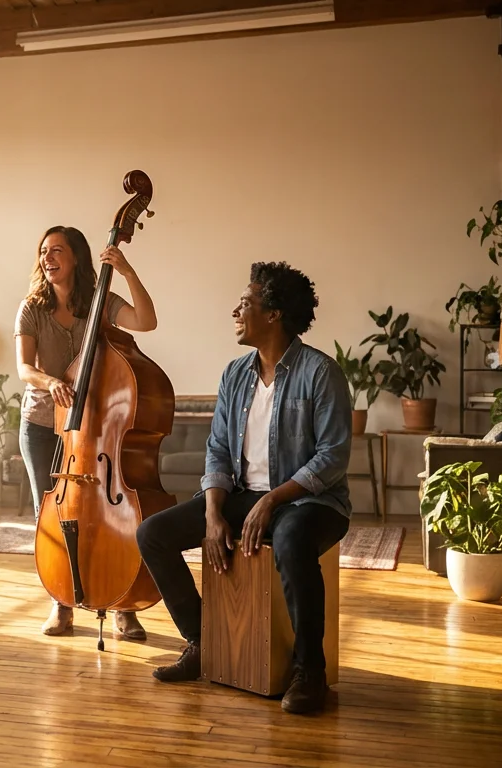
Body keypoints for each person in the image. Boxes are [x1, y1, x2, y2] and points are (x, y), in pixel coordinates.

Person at [136, 261, 351, 715]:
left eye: (246, 303)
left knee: (291, 538)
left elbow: (332, 457)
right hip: (241, 496)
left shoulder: (320, 372)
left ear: (273, 314)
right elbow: (217, 449)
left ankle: (309, 670)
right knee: (152, 534)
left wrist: (272, 501)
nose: (236, 310)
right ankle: (202, 642)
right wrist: (214, 512)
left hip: (311, 500)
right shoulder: (235, 374)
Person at [14, 226, 159, 639]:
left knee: (113, 517)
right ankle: (60, 602)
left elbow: (146, 321)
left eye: (57, 250)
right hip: (44, 425)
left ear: (76, 257)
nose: (47, 257)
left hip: (97, 431)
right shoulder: (31, 308)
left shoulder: (101, 302)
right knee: (53, 517)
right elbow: (24, 368)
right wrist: (50, 381)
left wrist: (127, 271)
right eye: (43, 251)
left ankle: (120, 603)